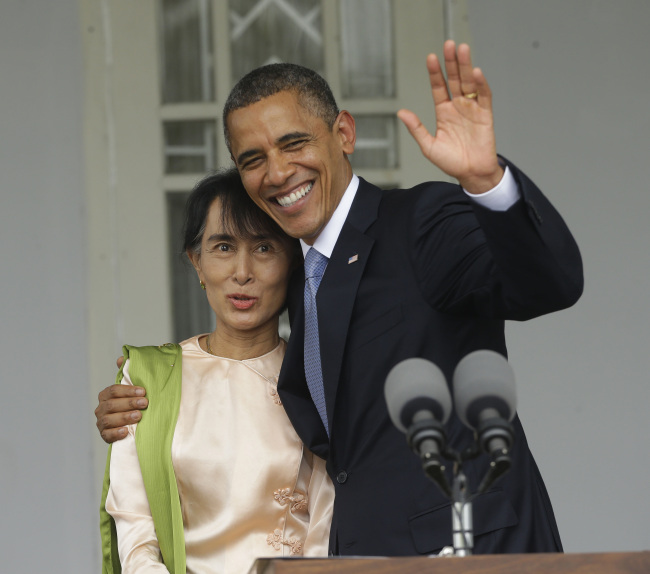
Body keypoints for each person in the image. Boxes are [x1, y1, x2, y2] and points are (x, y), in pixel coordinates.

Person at [97, 42, 583, 556]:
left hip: (474, 555)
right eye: (253, 159)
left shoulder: (418, 222)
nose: (278, 172)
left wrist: (487, 183)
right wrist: (140, 416)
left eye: (293, 143)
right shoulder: (304, 282)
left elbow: (549, 284)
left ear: (343, 133)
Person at [99, 168, 334, 574]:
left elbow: (325, 527)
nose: (242, 272)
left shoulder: (317, 378)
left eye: (263, 248)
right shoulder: (149, 377)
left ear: (292, 263)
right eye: (224, 247)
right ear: (197, 263)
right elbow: (135, 527)